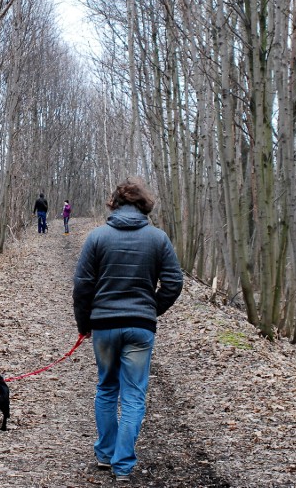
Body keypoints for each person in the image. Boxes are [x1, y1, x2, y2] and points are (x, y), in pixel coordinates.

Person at [72, 177, 184, 483]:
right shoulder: (158, 238)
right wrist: (150, 310)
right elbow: (174, 283)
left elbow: (82, 286)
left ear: (115, 203)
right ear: (143, 205)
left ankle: (106, 455)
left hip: (105, 327)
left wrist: (85, 324)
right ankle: (123, 464)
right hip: (140, 328)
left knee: (107, 388)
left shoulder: (97, 237)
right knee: (134, 395)